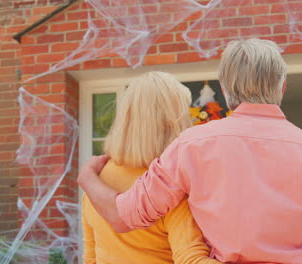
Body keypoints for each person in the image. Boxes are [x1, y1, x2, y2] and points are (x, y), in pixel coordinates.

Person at [79, 39, 302, 264]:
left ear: (225, 88)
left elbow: (123, 217)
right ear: (282, 88)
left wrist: (88, 177)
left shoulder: (190, 146)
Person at [81, 71, 223, 264]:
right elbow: (191, 260)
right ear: (173, 121)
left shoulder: (95, 182)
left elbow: (91, 257)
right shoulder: (169, 185)